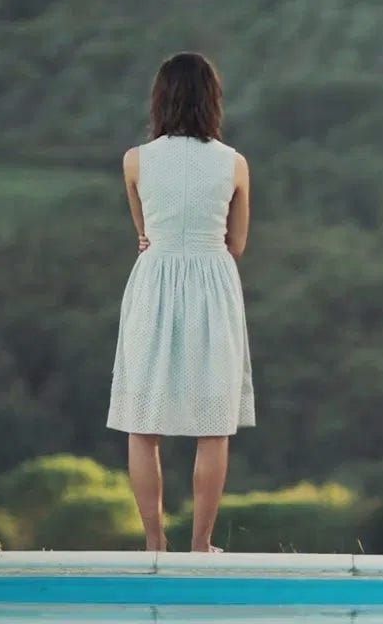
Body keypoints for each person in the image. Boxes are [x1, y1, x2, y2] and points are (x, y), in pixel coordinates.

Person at [107, 52, 254, 553]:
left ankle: (154, 543)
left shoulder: (135, 161)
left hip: (154, 283)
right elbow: (237, 244)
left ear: (160, 99)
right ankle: (200, 545)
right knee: (213, 426)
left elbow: (144, 233)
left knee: (142, 423)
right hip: (214, 286)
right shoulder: (234, 163)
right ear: (213, 100)